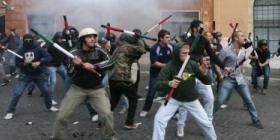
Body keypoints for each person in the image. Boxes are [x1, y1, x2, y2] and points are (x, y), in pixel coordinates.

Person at [51, 27, 116, 140]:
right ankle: (56, 138)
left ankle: (109, 138)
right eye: (89, 37)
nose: (93, 39)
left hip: (97, 88)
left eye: (94, 37)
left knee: (106, 114)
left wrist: (95, 66)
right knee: (62, 116)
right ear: (82, 39)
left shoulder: (100, 50)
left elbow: (111, 62)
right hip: (78, 89)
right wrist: (75, 65)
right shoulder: (73, 53)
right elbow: (70, 73)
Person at [152, 43, 217, 140]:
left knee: (206, 123)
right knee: (159, 119)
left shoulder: (192, 64)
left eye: (188, 53)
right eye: (184, 53)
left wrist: (204, 72)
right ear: (177, 53)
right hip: (173, 99)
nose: (187, 55)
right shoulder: (169, 66)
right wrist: (169, 83)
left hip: (191, 100)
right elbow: (156, 85)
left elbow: (207, 81)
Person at [213, 31, 264, 129]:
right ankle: (208, 119)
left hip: (240, 79)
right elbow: (216, 63)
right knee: (219, 100)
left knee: (248, 100)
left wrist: (243, 71)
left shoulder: (243, 51)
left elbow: (240, 62)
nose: (244, 38)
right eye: (242, 36)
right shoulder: (225, 51)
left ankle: (255, 119)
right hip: (228, 79)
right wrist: (220, 75)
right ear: (235, 38)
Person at [4, 33, 58, 120]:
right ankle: (10, 111)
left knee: (46, 91)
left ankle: (49, 106)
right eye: (26, 41)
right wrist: (24, 63)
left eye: (30, 40)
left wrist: (40, 62)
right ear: (23, 41)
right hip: (26, 75)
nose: (28, 42)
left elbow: (49, 57)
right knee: (17, 93)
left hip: (39, 74)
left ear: (32, 40)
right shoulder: (20, 51)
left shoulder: (38, 49)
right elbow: (17, 64)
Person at [109, 30, 146, 129]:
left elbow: (136, 56)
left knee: (113, 102)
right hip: (123, 79)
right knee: (133, 98)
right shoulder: (127, 47)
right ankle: (129, 123)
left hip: (113, 79)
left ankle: (101, 122)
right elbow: (142, 50)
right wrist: (139, 39)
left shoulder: (117, 48)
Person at [139, 29, 173, 117]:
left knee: (172, 93)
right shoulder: (155, 48)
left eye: (169, 37)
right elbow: (154, 63)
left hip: (167, 74)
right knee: (151, 93)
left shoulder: (171, 46)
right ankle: (145, 109)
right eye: (167, 37)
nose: (169, 39)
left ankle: (174, 113)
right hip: (155, 74)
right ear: (161, 38)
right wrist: (167, 66)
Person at [47, 31, 71, 104]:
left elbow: (67, 51)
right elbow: (57, 54)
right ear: (56, 38)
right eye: (59, 38)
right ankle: (49, 99)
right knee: (53, 82)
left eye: (62, 38)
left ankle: (69, 97)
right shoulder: (51, 45)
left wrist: (68, 38)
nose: (61, 39)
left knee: (67, 79)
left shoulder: (62, 44)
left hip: (59, 65)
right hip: (51, 66)